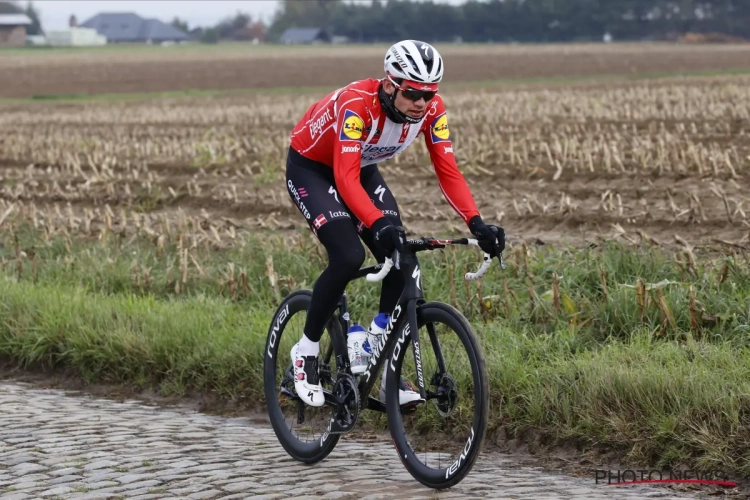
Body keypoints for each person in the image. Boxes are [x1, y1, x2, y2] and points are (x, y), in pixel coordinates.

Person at [285, 39, 505, 408]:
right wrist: (375, 222)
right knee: (348, 254)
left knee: (403, 257)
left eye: (429, 93)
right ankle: (304, 352)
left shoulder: (432, 111)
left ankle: (378, 351)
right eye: (413, 93)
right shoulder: (358, 106)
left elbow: (448, 171)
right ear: (390, 84)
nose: (422, 103)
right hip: (313, 169)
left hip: (360, 169)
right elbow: (344, 178)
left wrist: (477, 222)